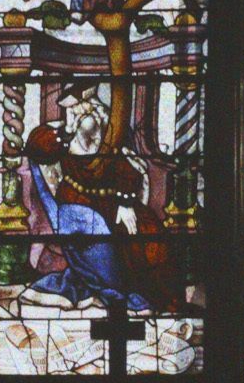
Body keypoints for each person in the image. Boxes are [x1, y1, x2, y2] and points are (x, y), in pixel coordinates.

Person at [24, 93, 154, 311]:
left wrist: (125, 203)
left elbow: (129, 172)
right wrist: (66, 132)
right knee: (95, 241)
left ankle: (126, 291)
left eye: (94, 132)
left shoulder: (110, 148)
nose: (91, 140)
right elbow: (36, 147)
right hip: (78, 209)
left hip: (111, 206)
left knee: (150, 236)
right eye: (81, 117)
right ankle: (113, 292)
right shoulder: (61, 140)